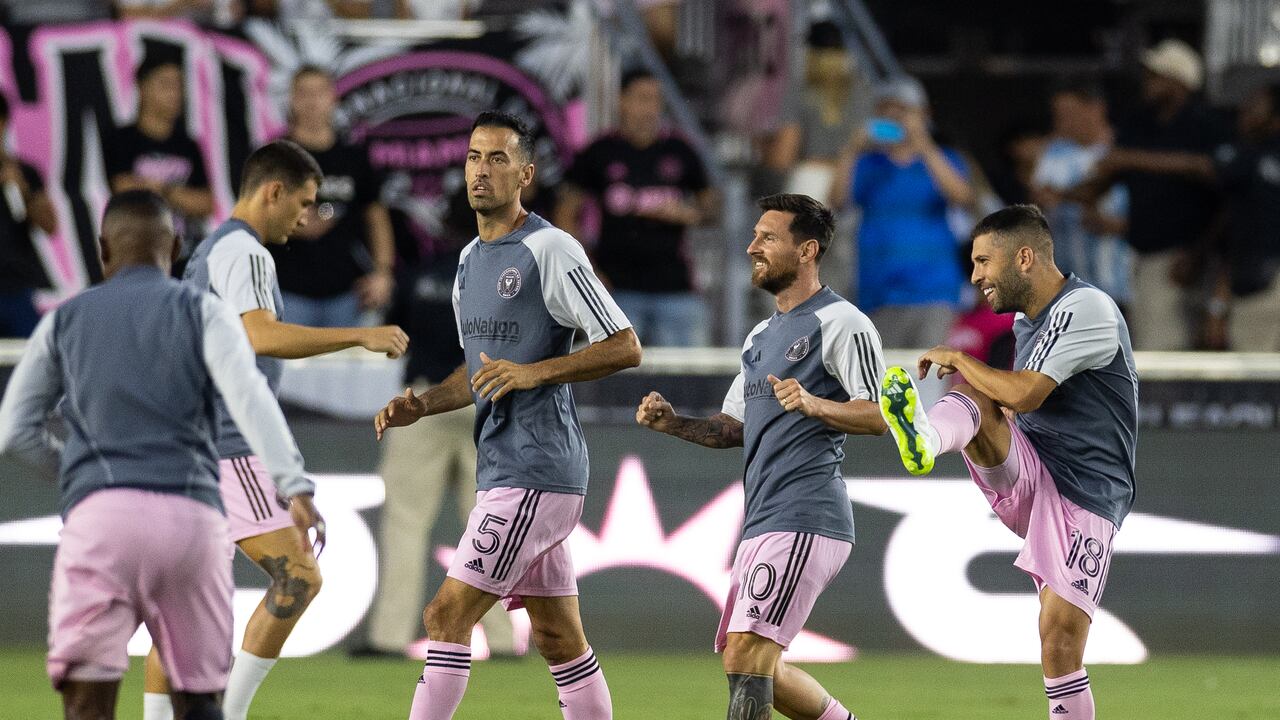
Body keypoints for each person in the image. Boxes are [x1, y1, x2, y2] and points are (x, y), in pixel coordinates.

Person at [0, 189, 323, 720]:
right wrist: (293, 483)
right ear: (174, 248)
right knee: (197, 698)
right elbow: (249, 397)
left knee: (87, 698)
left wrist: (78, 476)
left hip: (100, 521)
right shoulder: (205, 312)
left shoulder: (64, 321)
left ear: (103, 249)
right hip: (190, 520)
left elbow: (16, 430)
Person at [374, 111, 642, 720]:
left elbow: (624, 344)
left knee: (446, 614)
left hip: (535, 468)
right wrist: (423, 403)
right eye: (473, 157)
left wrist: (534, 372)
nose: (481, 170)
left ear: (526, 174)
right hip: (507, 467)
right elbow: (480, 374)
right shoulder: (469, 260)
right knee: (558, 639)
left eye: (498, 159)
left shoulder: (550, 247)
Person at [139, 140, 409, 720]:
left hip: (189, 443)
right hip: (227, 445)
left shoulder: (209, 251)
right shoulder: (246, 254)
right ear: (273, 192)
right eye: (306, 203)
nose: (308, 217)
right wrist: (356, 335)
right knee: (299, 578)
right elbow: (260, 335)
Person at [879, 205, 1137, 720]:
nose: (974, 276)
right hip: (1031, 468)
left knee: (1059, 643)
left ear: (1024, 258)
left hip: (1086, 492)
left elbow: (1027, 394)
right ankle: (926, 439)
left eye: (982, 262)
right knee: (977, 393)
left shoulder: (1088, 309)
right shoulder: (1028, 320)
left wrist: (961, 358)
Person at [636, 193, 885, 720]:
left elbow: (882, 415)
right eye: (754, 236)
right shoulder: (759, 337)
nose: (752, 246)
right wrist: (672, 422)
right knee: (745, 659)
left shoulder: (842, 323)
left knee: (750, 653)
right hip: (764, 519)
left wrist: (816, 404)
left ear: (807, 250)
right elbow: (734, 429)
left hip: (807, 514)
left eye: (768, 237)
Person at [356, 186, 516, 660]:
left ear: (442, 229)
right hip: (487, 402)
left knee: (405, 524)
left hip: (425, 402)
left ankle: (388, 636)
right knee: (491, 526)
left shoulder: (421, 275)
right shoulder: (506, 278)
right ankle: (506, 641)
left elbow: (396, 332)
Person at [1080, 39, 1227, 349]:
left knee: (1176, 352)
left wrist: (1199, 252)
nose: (1147, 83)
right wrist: (1071, 194)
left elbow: (1216, 180)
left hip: (1192, 255)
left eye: (1155, 76)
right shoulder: (1139, 124)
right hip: (1144, 257)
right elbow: (1111, 172)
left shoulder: (1206, 125)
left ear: (1178, 83)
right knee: (1152, 348)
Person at [556, 68, 716, 347]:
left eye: (655, 100)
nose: (650, 108)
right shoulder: (599, 152)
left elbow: (712, 208)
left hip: (675, 288)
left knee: (689, 382)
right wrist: (588, 271)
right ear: (622, 101)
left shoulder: (680, 151)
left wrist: (688, 214)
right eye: (642, 98)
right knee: (615, 381)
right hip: (617, 288)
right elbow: (565, 215)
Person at [832, 76, 974, 348]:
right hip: (879, 291)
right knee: (887, 381)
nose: (894, 118)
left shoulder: (945, 159)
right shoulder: (868, 163)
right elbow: (837, 201)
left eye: (903, 111)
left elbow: (962, 197)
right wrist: (851, 149)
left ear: (924, 115)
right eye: (886, 111)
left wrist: (924, 143)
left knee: (930, 377)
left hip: (933, 290)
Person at [269, 65, 396, 328]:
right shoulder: (275, 156)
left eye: (319, 92)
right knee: (290, 369)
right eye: (303, 93)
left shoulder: (354, 157)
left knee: (348, 369)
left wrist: (383, 273)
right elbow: (258, 216)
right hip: (287, 291)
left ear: (333, 98)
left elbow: (376, 217)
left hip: (347, 292)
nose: (312, 101)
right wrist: (292, 222)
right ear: (291, 99)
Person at [106, 55, 213, 275]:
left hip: (185, 262)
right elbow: (123, 188)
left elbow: (206, 203)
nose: (175, 93)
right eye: (165, 84)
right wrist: (179, 196)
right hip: (136, 262)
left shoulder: (189, 145)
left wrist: (161, 189)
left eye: (179, 85)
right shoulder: (121, 139)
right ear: (142, 88)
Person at [1032, 78, 1132, 308]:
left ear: (1097, 108)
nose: (1062, 122)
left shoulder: (1126, 151)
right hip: (1067, 289)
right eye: (1057, 115)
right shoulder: (1052, 154)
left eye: (1068, 113)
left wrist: (1117, 225)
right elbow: (1036, 204)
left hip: (1119, 284)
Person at [0, 93, 57, 337]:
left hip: (16, 287)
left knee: (28, 364)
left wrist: (23, 192)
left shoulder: (24, 172)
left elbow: (49, 225)